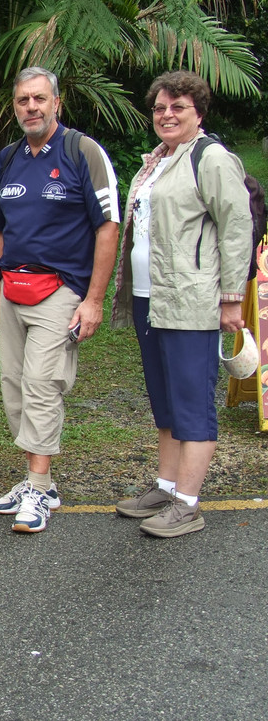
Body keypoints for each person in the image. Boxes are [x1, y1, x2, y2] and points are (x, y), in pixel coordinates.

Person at [111, 71, 252, 538]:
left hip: (192, 300)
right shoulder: (159, 160)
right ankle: (167, 487)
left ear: (199, 113)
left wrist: (231, 298)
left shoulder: (210, 158)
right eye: (159, 108)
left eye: (178, 107)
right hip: (151, 299)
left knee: (191, 403)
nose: (166, 115)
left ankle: (187, 504)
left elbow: (237, 226)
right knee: (165, 400)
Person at [0, 66, 120, 533]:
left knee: (42, 384)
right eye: (23, 100)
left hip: (60, 290)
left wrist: (94, 300)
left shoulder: (82, 152)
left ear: (56, 103)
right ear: (15, 106)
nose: (31, 107)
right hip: (13, 291)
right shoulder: (7, 159)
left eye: (39, 98)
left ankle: (38, 489)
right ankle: (36, 480)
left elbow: (107, 227)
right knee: (15, 388)